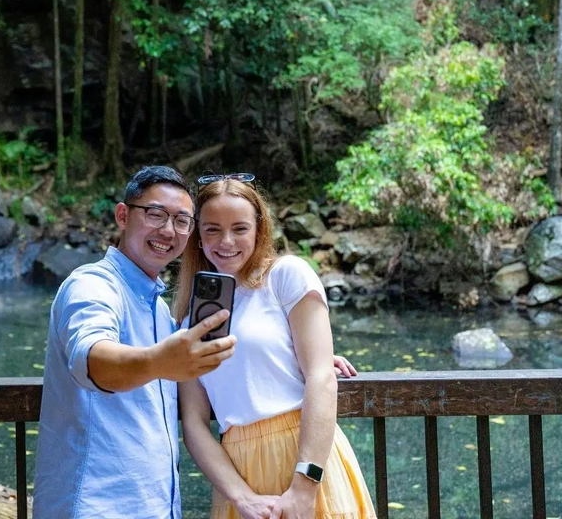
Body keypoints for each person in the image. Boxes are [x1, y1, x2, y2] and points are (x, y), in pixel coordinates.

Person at [34, 165, 236, 519]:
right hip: (96, 507)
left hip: (155, 507)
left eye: (182, 220)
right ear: (123, 215)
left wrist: (293, 362)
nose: (168, 231)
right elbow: (92, 356)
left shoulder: (158, 309)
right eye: (156, 214)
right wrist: (157, 362)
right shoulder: (93, 285)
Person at [174, 175, 375, 519]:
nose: (226, 241)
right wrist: (242, 497)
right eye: (212, 229)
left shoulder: (286, 276)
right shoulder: (187, 322)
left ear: (259, 229)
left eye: (239, 228)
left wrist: (305, 484)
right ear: (196, 236)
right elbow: (193, 423)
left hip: (303, 454)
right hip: (238, 476)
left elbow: (321, 377)